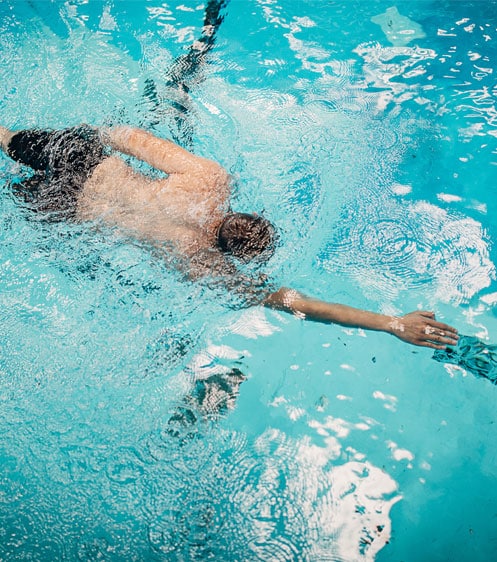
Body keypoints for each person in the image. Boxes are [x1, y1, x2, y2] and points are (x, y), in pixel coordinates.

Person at [0, 123, 458, 350]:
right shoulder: (198, 260)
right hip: (67, 209)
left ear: (244, 212)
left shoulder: (208, 179)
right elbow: (290, 301)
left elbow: (129, 136)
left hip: (90, 162)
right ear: (233, 255)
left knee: (7, 138)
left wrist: (95, 132)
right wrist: (391, 323)